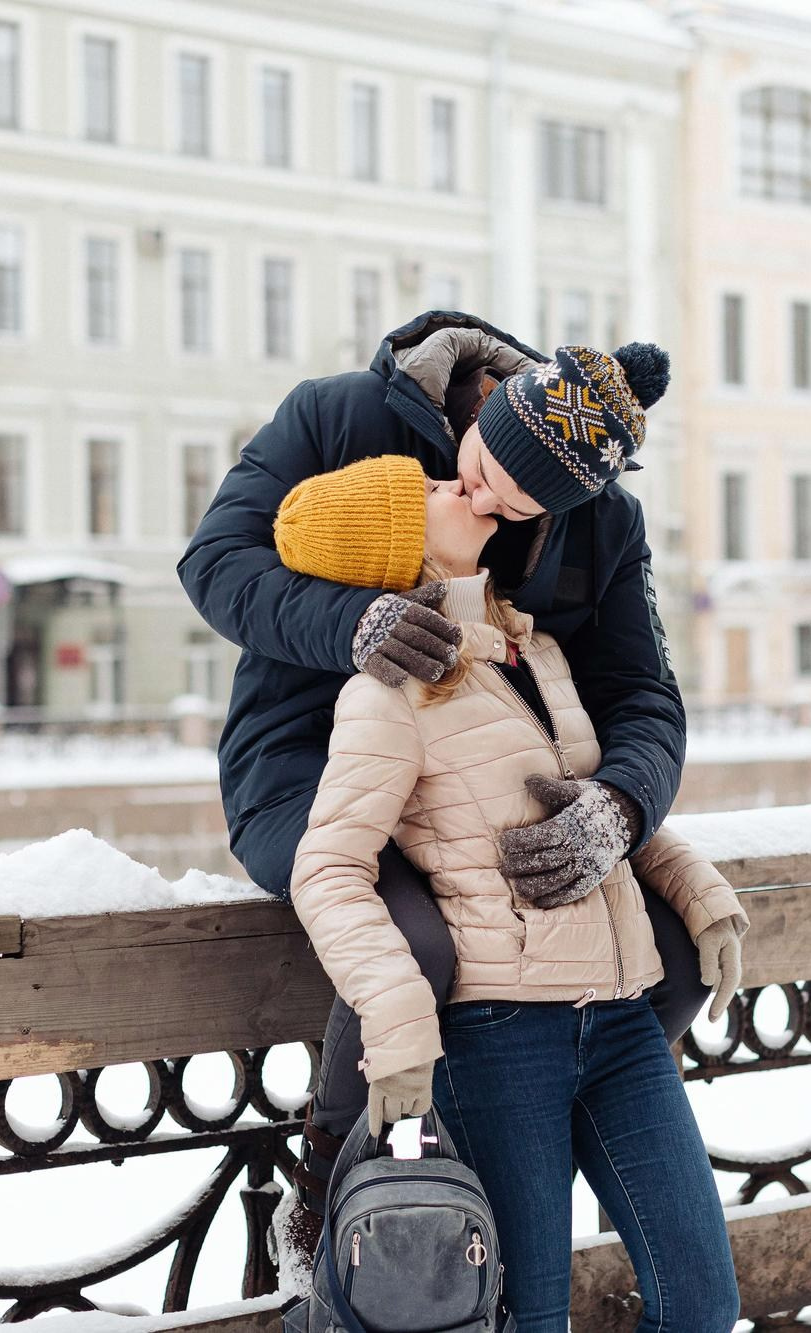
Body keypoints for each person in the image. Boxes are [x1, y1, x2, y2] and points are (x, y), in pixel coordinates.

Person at [178, 312, 714, 1272]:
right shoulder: (338, 419)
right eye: (477, 478)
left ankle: (548, 1131)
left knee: (671, 955)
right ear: (483, 409)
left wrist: (622, 806)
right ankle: (337, 1189)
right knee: (419, 941)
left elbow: (644, 697)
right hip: (311, 771)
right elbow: (216, 563)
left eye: (518, 511)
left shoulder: (601, 518)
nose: (483, 505)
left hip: (483, 795)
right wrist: (355, 622)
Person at [274, 442, 748, 1331]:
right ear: (396, 548)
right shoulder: (391, 695)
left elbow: (595, 800)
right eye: (428, 491)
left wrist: (698, 892)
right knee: (531, 1318)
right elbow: (329, 868)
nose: (455, 482)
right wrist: (398, 1025)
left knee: (702, 1300)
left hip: (620, 1020)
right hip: (499, 1037)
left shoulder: (540, 654)